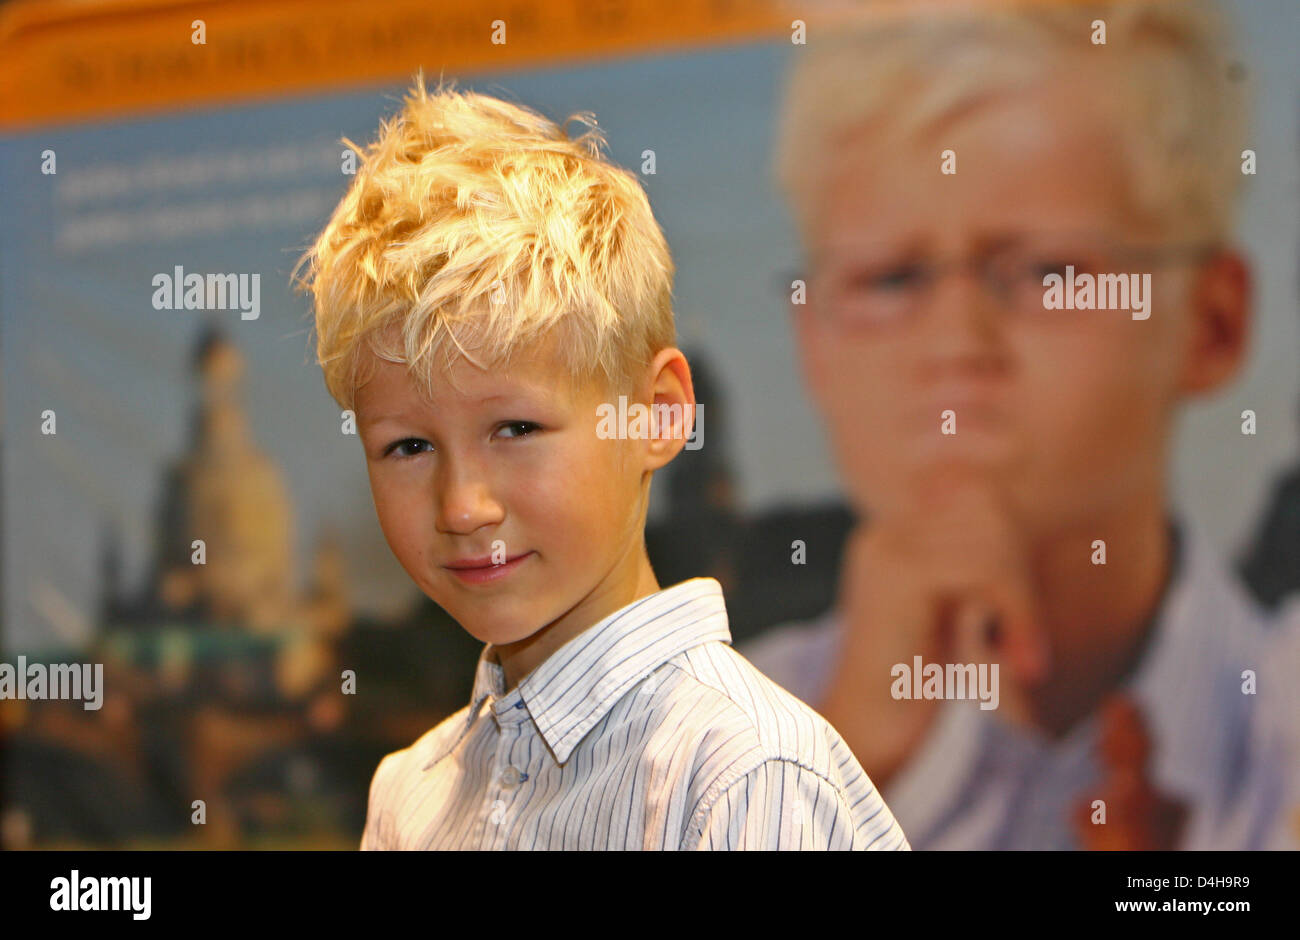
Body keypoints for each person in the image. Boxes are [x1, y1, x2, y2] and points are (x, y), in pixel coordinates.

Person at [295, 76, 908, 850]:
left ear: (656, 414)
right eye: (408, 447)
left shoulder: (745, 776)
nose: (462, 506)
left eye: (515, 428)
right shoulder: (408, 797)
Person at [741, 0, 1293, 849]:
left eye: (1046, 269)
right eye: (889, 280)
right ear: (812, 341)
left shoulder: (1279, 735)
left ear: (1212, 323)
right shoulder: (718, 733)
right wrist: (842, 763)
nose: (956, 343)